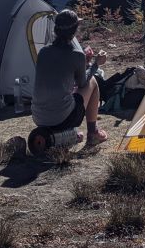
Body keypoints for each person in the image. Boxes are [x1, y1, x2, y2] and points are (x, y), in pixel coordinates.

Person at [31, 9, 108, 147]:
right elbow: (82, 83)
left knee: (68, 94)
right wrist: (95, 64)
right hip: (62, 118)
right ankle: (93, 132)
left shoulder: (43, 52)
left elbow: (58, 74)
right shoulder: (76, 54)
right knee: (93, 82)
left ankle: (66, 134)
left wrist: (82, 63)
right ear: (74, 30)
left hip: (39, 117)